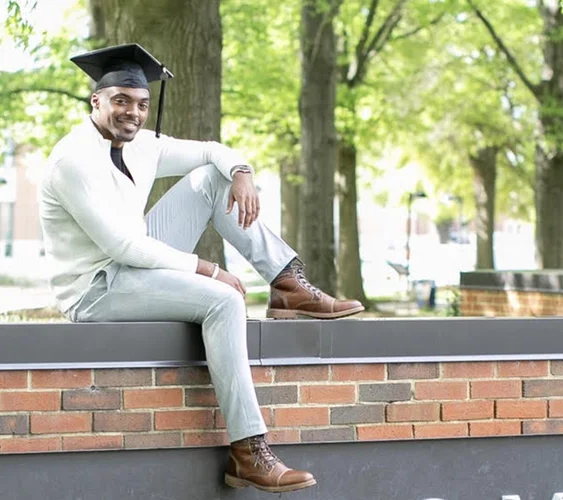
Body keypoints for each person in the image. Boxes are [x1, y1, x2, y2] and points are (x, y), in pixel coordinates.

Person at [36, 43, 363, 493]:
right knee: (224, 301)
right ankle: (249, 451)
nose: (132, 112)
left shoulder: (143, 145)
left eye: (141, 104)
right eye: (121, 101)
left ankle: (287, 281)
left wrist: (241, 170)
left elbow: (211, 151)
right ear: (97, 101)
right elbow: (122, 245)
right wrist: (206, 269)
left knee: (213, 179)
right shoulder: (72, 160)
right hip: (97, 287)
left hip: (134, 265)